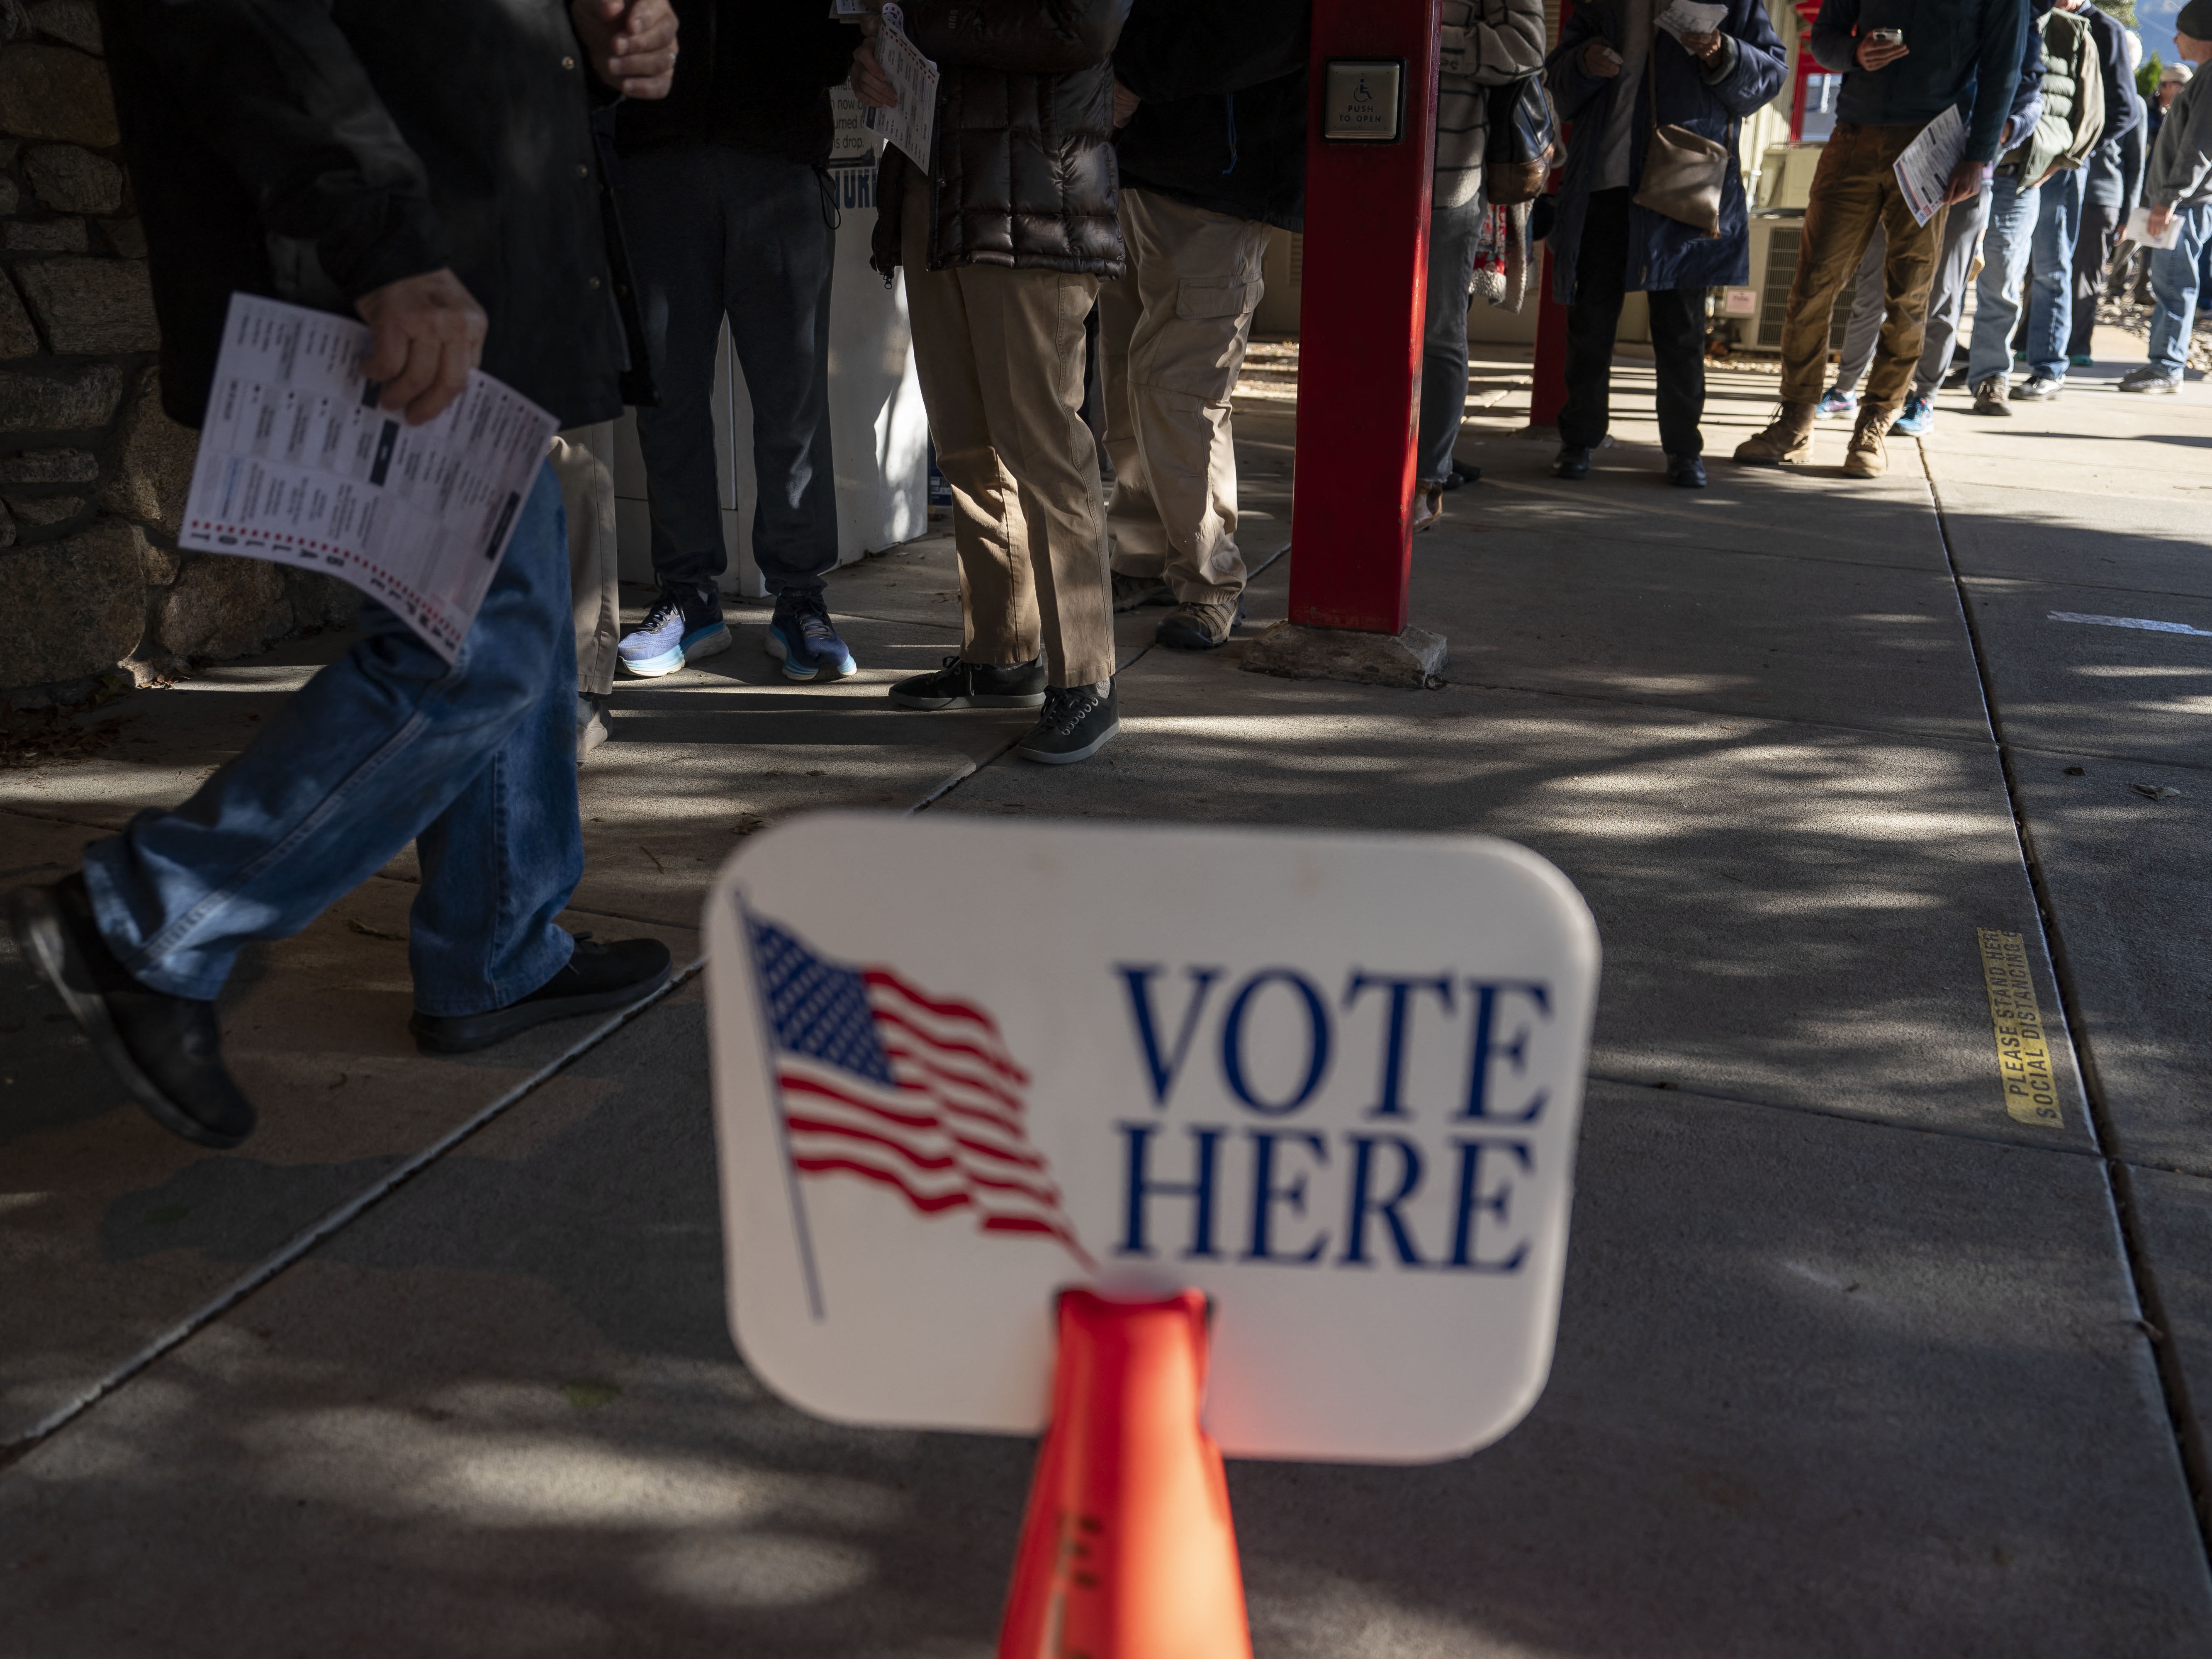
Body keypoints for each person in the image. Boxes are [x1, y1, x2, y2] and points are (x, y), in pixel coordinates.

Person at [6, 0, 681, 1150]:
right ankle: (147, 922)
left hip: (462, 258)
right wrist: (382, 241)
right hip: (383, 270)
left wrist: (594, 45)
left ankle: (496, 948)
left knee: (495, 618)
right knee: (476, 647)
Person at [852, 0, 1129, 765]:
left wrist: (925, 28)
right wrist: (875, 58)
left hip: (1034, 199)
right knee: (968, 447)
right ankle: (1002, 652)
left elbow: (1086, 28)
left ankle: (1088, 680)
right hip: (935, 192)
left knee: (1041, 445)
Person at [610, 0, 860, 685]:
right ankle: (687, 594)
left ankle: (800, 596)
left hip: (779, 156)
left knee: (792, 397)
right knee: (667, 392)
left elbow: (846, 30)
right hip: (657, 155)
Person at [1734, 0, 2025, 476]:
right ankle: (1794, 421)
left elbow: (2003, 70)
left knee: (1909, 297)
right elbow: (1823, 37)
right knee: (1810, 286)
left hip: (1931, 146)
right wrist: (1854, 53)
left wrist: (1978, 156)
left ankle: (1874, 423)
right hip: (1852, 138)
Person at [1097, 0, 1308, 649]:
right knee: (1131, 384)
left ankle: (1210, 579)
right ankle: (1142, 556)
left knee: (1178, 391)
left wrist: (1133, 76)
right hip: (1135, 163)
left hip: (1215, 171)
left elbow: (1269, 24)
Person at [1550, 0, 1786, 486]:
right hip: (1603, 178)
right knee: (1588, 321)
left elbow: (1769, 75)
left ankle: (1683, 450)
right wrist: (1583, 63)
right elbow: (1558, 79)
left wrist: (1724, 53)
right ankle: (1578, 440)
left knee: (1680, 328)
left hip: (1682, 180)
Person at [1811, 3, 2049, 437]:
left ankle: (1922, 396)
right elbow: (1825, 40)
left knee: (1940, 290)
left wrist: (1987, 145)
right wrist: (1855, 52)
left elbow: (2022, 87)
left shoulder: (2016, 18)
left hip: (1957, 163)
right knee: (1872, 281)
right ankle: (1846, 386)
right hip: (1888, 151)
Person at [1415, 0, 1547, 522]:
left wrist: (1425, 36)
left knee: (1440, 331)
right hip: (1355, 164)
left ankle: (1428, 475)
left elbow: (1525, 49)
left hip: (1451, 176)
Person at [1964, 0, 2104, 415]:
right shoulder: (1979, 11)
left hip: (2018, 172)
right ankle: (1919, 378)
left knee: (2004, 274)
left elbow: (2093, 113)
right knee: (1940, 273)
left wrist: (2057, 160)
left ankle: (1992, 376)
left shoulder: (2074, 32)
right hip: (1951, 160)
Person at [2010, 0, 2135, 401]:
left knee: (2051, 266)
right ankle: (1990, 367)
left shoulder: (2104, 29)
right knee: (2004, 266)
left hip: (2061, 170)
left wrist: (2069, 155)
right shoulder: (2027, 13)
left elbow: (2124, 112)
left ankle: (2049, 367)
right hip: (2012, 161)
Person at [2120, 2, 2212, 392]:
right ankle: (2163, 362)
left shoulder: (2209, 79)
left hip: (2184, 207)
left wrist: (2168, 199)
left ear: (2201, 35)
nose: (2173, 39)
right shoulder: (2204, 77)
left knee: (2174, 285)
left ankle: (2167, 367)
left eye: (2181, 32)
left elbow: (2198, 147)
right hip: (2182, 204)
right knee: (2168, 282)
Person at [2067, 26, 2145, 365]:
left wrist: (2128, 216)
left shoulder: (2135, 105)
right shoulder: (2079, 85)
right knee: (2043, 270)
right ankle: (2028, 337)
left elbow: (2135, 166)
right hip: (2064, 189)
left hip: (2101, 200)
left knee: (2086, 276)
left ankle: (2078, 347)